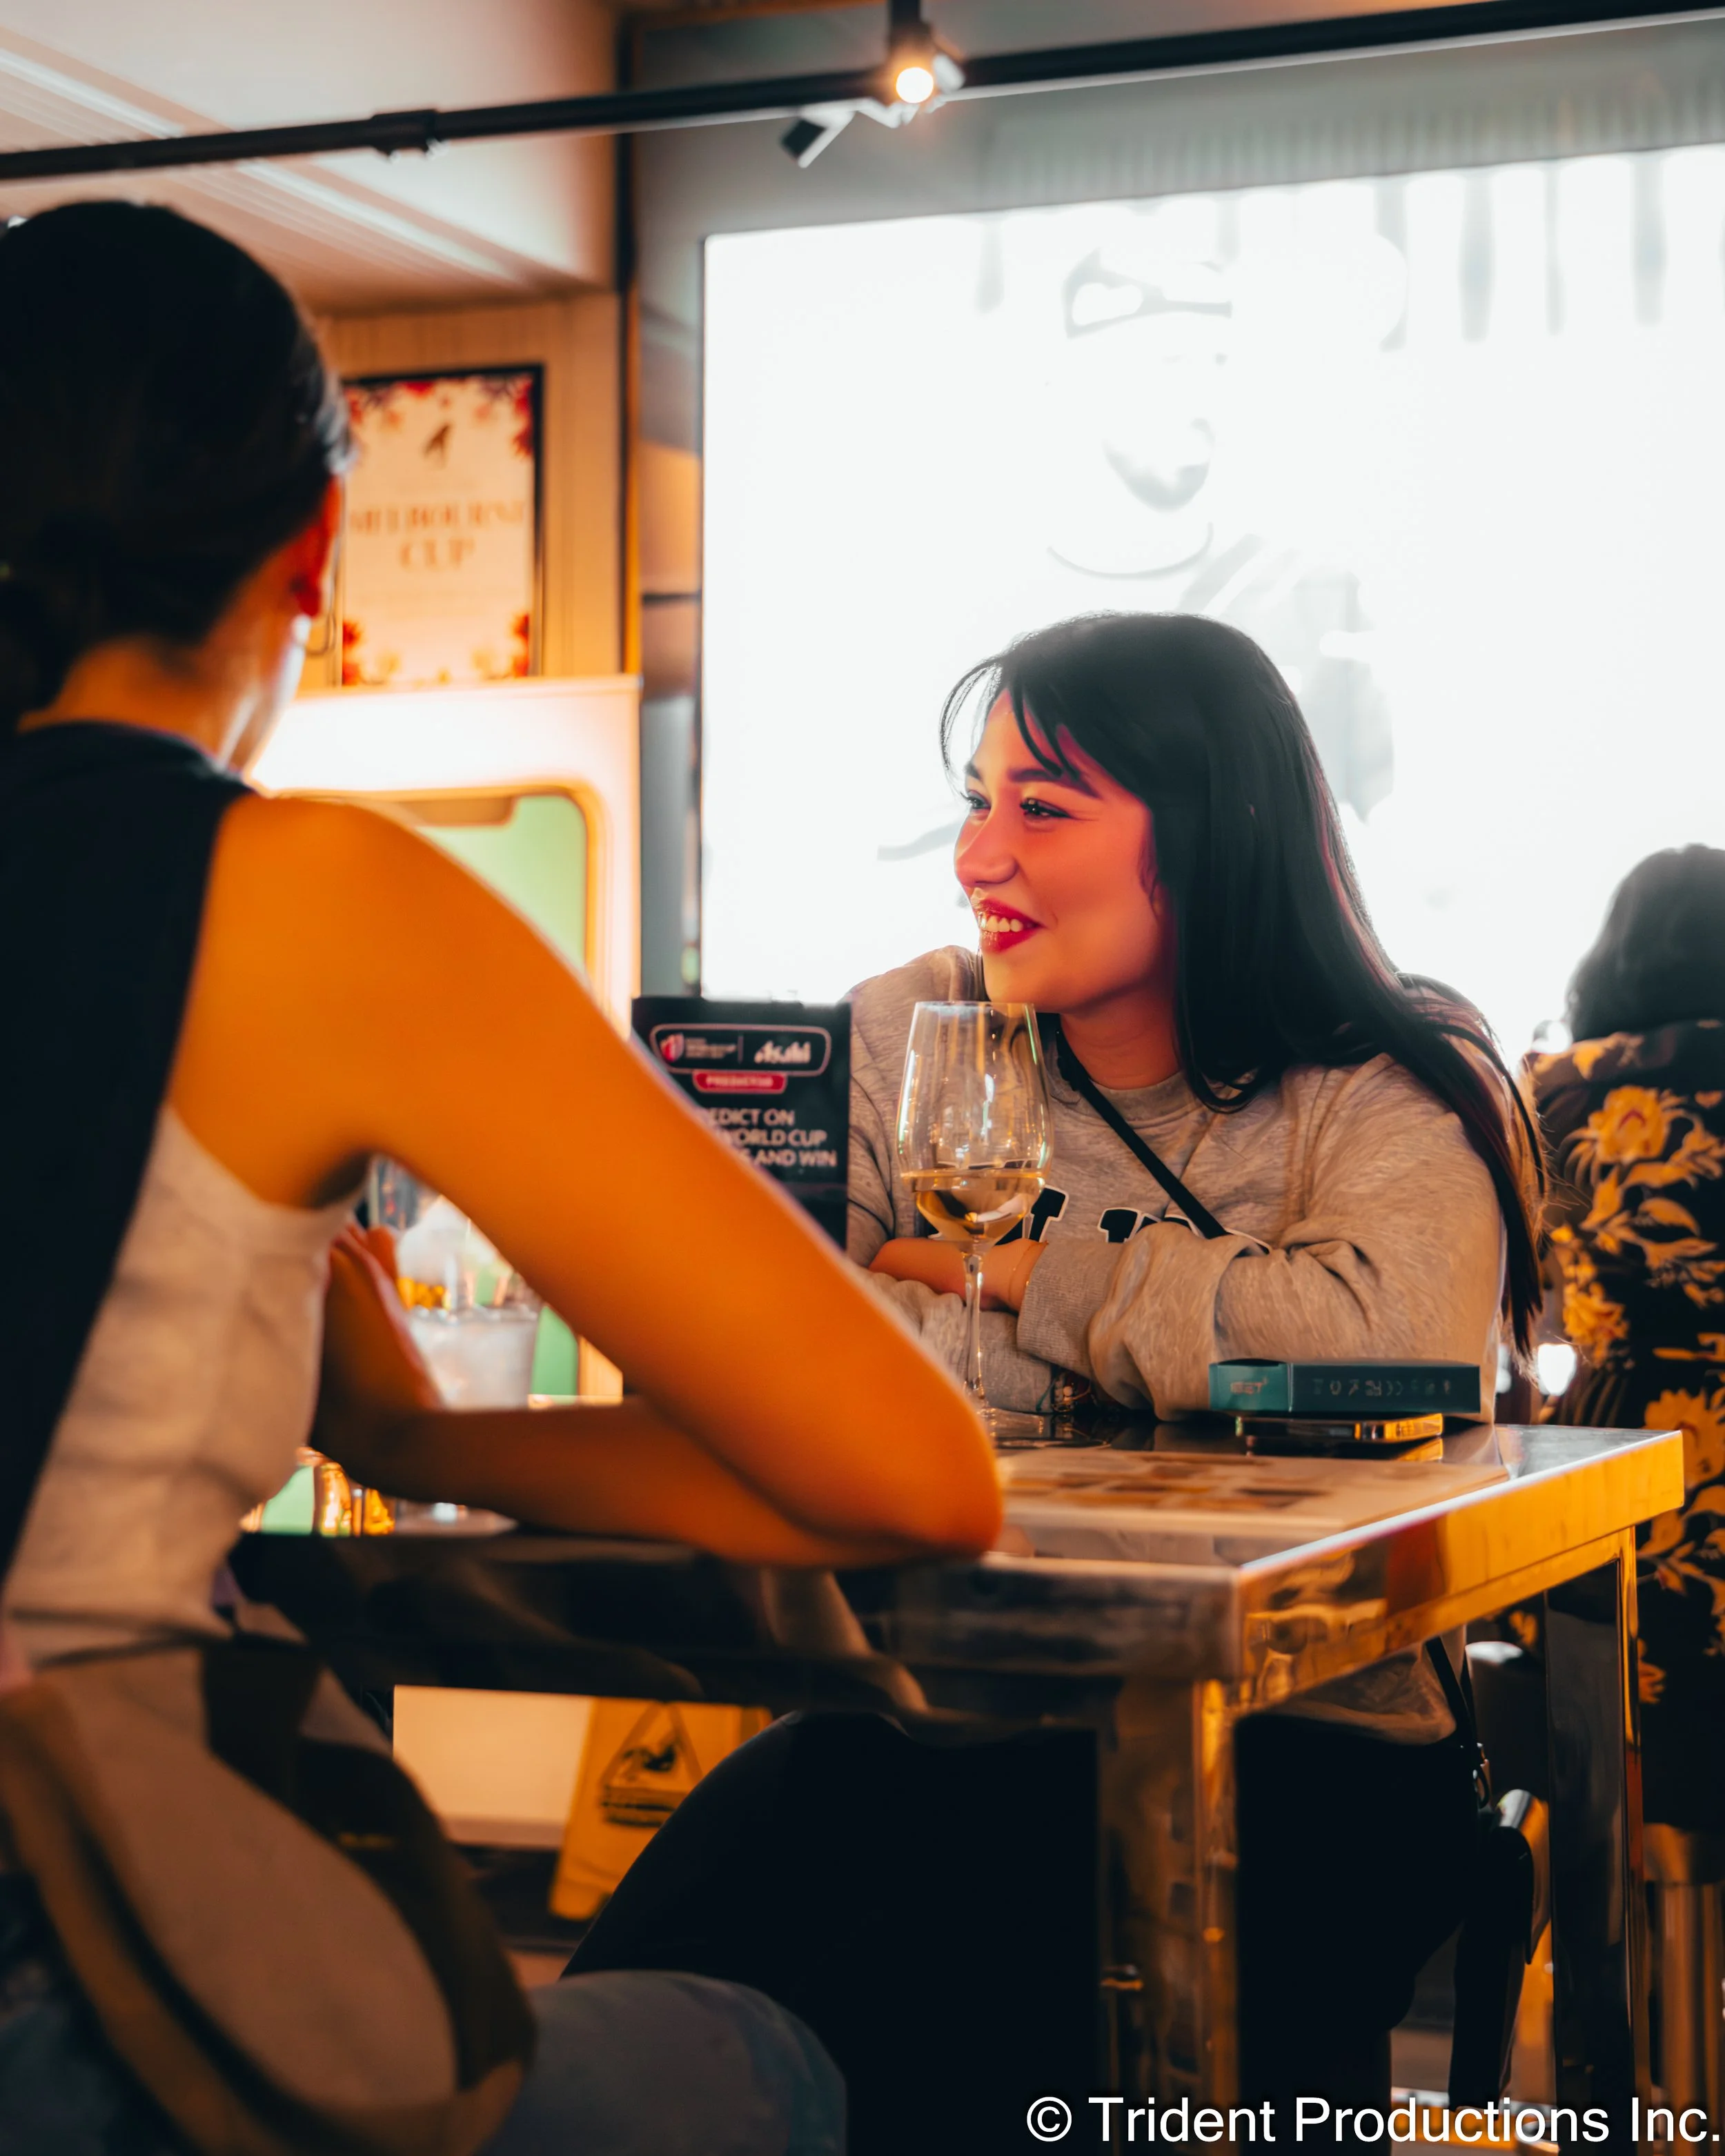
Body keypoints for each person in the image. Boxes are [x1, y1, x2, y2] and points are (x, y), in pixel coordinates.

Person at [0, 200, 999, 2156]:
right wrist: (433, 1434)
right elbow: (915, 1475)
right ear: (314, 552)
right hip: (71, 1967)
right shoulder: (306, 897)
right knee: (765, 2055)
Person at [570, 611, 1545, 2141]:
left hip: (1306, 1735)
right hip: (949, 1706)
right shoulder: (922, 1028)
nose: (975, 856)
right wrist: (1203, 1341)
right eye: (975, 799)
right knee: (685, 1941)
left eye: (1042, 805)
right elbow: (772, 1344)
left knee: (982, 1982)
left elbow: (1383, 1344)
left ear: (1214, 826)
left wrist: (1005, 1276)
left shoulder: (1385, 1069)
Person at [1526, 845, 1725, 1829]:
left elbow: (1535, 1311)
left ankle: (1635, 1965)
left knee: (1624, 1771)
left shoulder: (1554, 1100)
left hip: (1615, 1466)